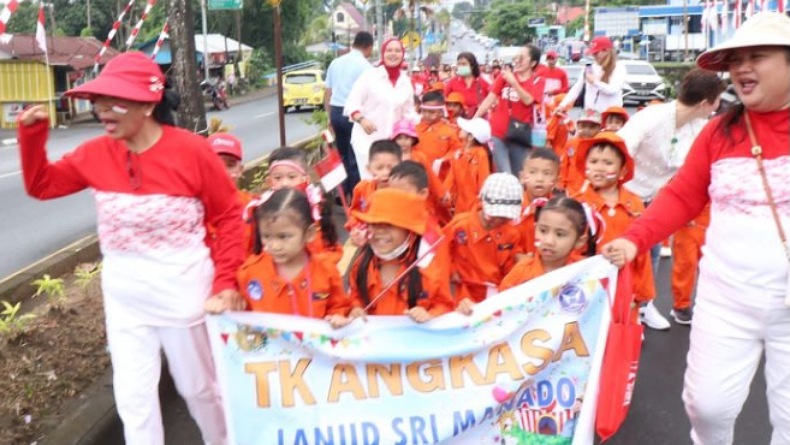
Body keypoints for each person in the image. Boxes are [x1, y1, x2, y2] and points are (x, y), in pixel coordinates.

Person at [17, 52, 240, 445]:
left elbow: (229, 217)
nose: (103, 111)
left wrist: (225, 283)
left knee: (199, 390)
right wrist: (32, 136)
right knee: (133, 398)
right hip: (124, 295)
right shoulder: (94, 153)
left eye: (115, 102)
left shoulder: (193, 152)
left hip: (183, 292)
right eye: (98, 102)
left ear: (148, 104)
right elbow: (42, 185)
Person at [603, 13, 790, 444]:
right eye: (736, 60)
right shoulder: (719, 132)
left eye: (757, 56)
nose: (742, 68)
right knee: (707, 406)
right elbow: (682, 195)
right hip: (726, 297)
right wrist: (634, 240)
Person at [616, 68, 724, 330]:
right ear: (704, 103)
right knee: (621, 254)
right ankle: (619, 309)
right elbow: (619, 151)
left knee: (652, 252)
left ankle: (644, 304)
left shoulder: (701, 129)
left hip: (655, 198)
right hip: (623, 194)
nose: (719, 105)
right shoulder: (652, 117)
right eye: (717, 100)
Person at [209, 189, 351, 328]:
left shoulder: (326, 270)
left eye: (284, 237)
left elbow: (339, 306)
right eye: (267, 236)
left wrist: (337, 316)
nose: (275, 246)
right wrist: (221, 305)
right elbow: (239, 313)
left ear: (309, 233)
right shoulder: (250, 273)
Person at [573, 132, 655, 322]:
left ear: (622, 170)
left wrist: (640, 293)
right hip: (589, 289)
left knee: (621, 333)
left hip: (624, 287)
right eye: (593, 161)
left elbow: (642, 252)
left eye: (608, 163)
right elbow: (571, 250)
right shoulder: (577, 204)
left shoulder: (634, 204)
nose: (599, 168)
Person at [348, 188, 454, 322]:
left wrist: (429, 315)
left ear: (408, 230)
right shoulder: (361, 266)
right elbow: (355, 295)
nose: (380, 231)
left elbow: (444, 305)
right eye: (374, 224)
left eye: (389, 225)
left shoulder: (428, 270)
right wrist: (356, 308)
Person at [446, 173, 524, 314]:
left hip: (493, 296)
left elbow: (509, 271)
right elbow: (439, 253)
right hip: (461, 291)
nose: (497, 221)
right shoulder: (460, 226)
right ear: (482, 202)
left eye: (504, 218)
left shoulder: (511, 235)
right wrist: (451, 271)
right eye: (492, 215)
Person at [345, 38, 418, 181]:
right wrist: (362, 120)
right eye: (389, 50)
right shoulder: (369, 76)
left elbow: (409, 114)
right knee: (370, 182)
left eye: (397, 51)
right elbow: (352, 104)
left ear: (402, 55)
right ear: (383, 53)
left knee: (391, 182)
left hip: (393, 145)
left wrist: (424, 123)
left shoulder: (405, 82)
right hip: (367, 142)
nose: (393, 54)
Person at [263, 146, 343, 265]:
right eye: (277, 178)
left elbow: (332, 249)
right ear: (269, 181)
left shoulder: (317, 211)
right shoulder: (263, 214)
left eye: (292, 177)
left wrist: (319, 267)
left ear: (306, 179)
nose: (284, 183)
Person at [474, 45, 546, 176]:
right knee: (505, 174)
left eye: (521, 58)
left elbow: (528, 100)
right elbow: (489, 99)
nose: (517, 61)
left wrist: (514, 83)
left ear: (533, 63)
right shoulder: (504, 77)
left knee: (518, 175)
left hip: (520, 135)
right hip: (498, 133)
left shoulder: (538, 81)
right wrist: (474, 120)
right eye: (516, 57)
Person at [500, 197, 590, 291]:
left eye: (560, 234)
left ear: (579, 241)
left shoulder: (586, 270)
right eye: (543, 231)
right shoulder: (520, 273)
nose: (548, 241)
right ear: (535, 228)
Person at [325, 31, 374, 194]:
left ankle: (341, 193)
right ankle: (354, 194)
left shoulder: (335, 63)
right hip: (354, 115)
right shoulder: (366, 67)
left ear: (354, 44)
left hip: (336, 112)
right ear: (369, 47)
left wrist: (329, 117)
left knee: (341, 155)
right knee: (355, 156)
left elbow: (328, 92)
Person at [207, 132, 256, 255]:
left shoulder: (253, 207)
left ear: (240, 170)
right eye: (216, 164)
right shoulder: (190, 209)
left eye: (230, 165)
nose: (223, 172)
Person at [346, 140, 402, 245]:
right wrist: (356, 229)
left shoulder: (404, 192)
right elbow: (355, 213)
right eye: (379, 168)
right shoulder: (362, 188)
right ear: (369, 168)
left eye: (391, 167)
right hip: (369, 242)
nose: (385, 172)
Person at [559, 36, 627, 113]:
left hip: (610, 115)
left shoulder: (619, 68)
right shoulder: (589, 67)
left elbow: (612, 90)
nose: (594, 55)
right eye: (593, 53)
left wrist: (594, 82)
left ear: (606, 51)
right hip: (590, 115)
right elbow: (576, 89)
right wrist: (562, 105)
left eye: (596, 53)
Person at [444, 117, 493, 215]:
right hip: (459, 204)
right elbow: (451, 177)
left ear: (470, 137)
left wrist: (481, 205)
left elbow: (484, 181)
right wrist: (444, 192)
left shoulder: (481, 154)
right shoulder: (459, 153)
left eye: (464, 129)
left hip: (473, 205)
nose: (461, 129)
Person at [517, 148, 560, 257]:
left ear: (556, 181)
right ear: (522, 177)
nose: (539, 179)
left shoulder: (560, 210)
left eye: (547, 173)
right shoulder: (513, 207)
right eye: (533, 172)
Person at [558, 109, 602, 195]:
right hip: (571, 188)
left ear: (599, 128)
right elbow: (564, 164)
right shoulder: (571, 143)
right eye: (583, 126)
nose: (587, 130)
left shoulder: (601, 146)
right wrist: (562, 183)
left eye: (592, 127)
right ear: (578, 126)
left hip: (593, 190)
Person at [415, 90, 463, 164]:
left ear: (441, 112)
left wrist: (443, 160)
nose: (427, 115)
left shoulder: (450, 131)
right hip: (417, 170)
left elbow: (456, 150)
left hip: (440, 170)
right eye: (424, 111)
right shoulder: (415, 130)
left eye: (432, 112)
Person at [444, 52, 490, 119]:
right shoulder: (452, 82)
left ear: (472, 66)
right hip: (456, 120)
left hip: (477, 120)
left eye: (464, 64)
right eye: (459, 64)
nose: (460, 66)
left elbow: (492, 100)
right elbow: (444, 100)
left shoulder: (482, 83)